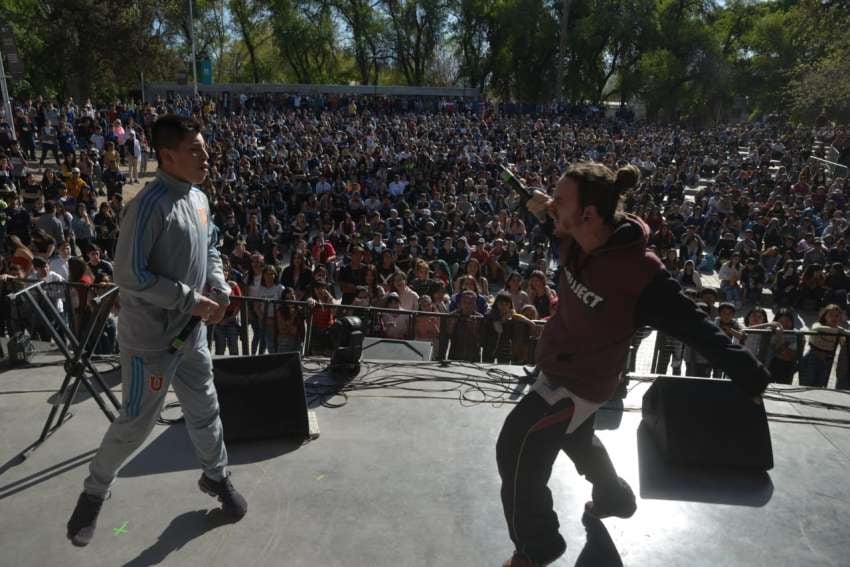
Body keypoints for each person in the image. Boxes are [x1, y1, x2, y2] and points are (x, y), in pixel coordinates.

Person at [499, 162, 771, 567]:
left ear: (589, 214)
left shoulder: (640, 274)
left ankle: (539, 546)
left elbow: (694, 326)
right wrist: (533, 204)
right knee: (578, 440)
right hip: (560, 365)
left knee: (515, 447)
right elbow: (544, 217)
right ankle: (615, 498)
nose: (551, 204)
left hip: (578, 383)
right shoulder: (572, 235)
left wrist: (749, 375)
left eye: (560, 199)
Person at [66, 115, 247, 548]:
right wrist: (192, 300)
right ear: (167, 155)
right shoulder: (147, 207)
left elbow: (212, 246)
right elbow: (128, 276)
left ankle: (215, 477)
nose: (206, 156)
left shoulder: (200, 198)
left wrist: (218, 287)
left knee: (205, 409)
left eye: (204, 147)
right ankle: (94, 492)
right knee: (134, 425)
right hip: (151, 343)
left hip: (193, 335)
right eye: (195, 150)